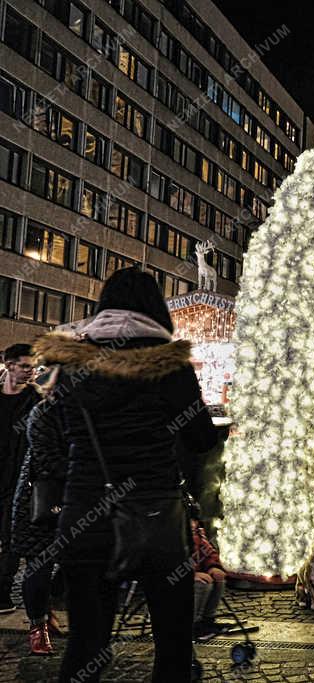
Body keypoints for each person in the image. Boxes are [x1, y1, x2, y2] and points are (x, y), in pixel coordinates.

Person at [34, 268, 219, 683]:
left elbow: (56, 435)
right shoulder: (170, 367)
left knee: (86, 643)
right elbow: (202, 439)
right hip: (155, 514)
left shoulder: (68, 364)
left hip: (84, 511)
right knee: (173, 641)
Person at [10, 371, 64, 654]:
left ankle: (47, 608)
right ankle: (37, 626)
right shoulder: (43, 414)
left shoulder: (88, 413)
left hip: (76, 502)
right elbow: (50, 463)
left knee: (75, 565)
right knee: (39, 567)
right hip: (40, 503)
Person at [1, 343, 38, 615]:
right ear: (9, 364)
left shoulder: (36, 401)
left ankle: (2, 592)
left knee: (11, 539)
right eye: (25, 366)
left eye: (33, 367)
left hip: (18, 483)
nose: (30, 372)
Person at [190, 506, 229, 639]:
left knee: (218, 580)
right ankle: (193, 623)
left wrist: (213, 566)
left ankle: (208, 620)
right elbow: (173, 560)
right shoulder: (174, 536)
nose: (194, 524)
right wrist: (192, 574)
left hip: (196, 572)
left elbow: (208, 552)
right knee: (203, 584)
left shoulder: (198, 533)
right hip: (175, 577)